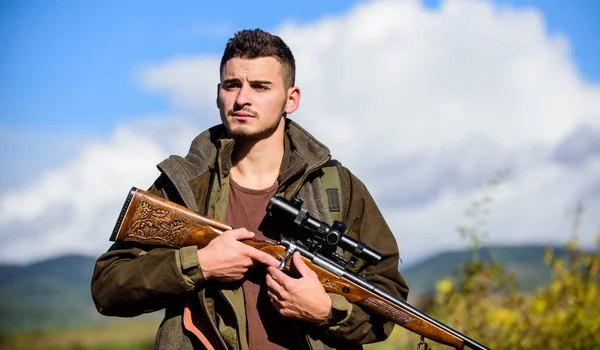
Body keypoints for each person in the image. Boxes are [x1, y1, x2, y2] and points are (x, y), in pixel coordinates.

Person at [91, 28, 409, 350]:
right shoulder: (184, 185)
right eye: (232, 85)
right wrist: (200, 264)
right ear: (218, 93)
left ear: (291, 98)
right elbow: (108, 287)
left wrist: (326, 310)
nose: (243, 98)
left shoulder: (337, 188)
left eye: (260, 87)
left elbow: (390, 299)